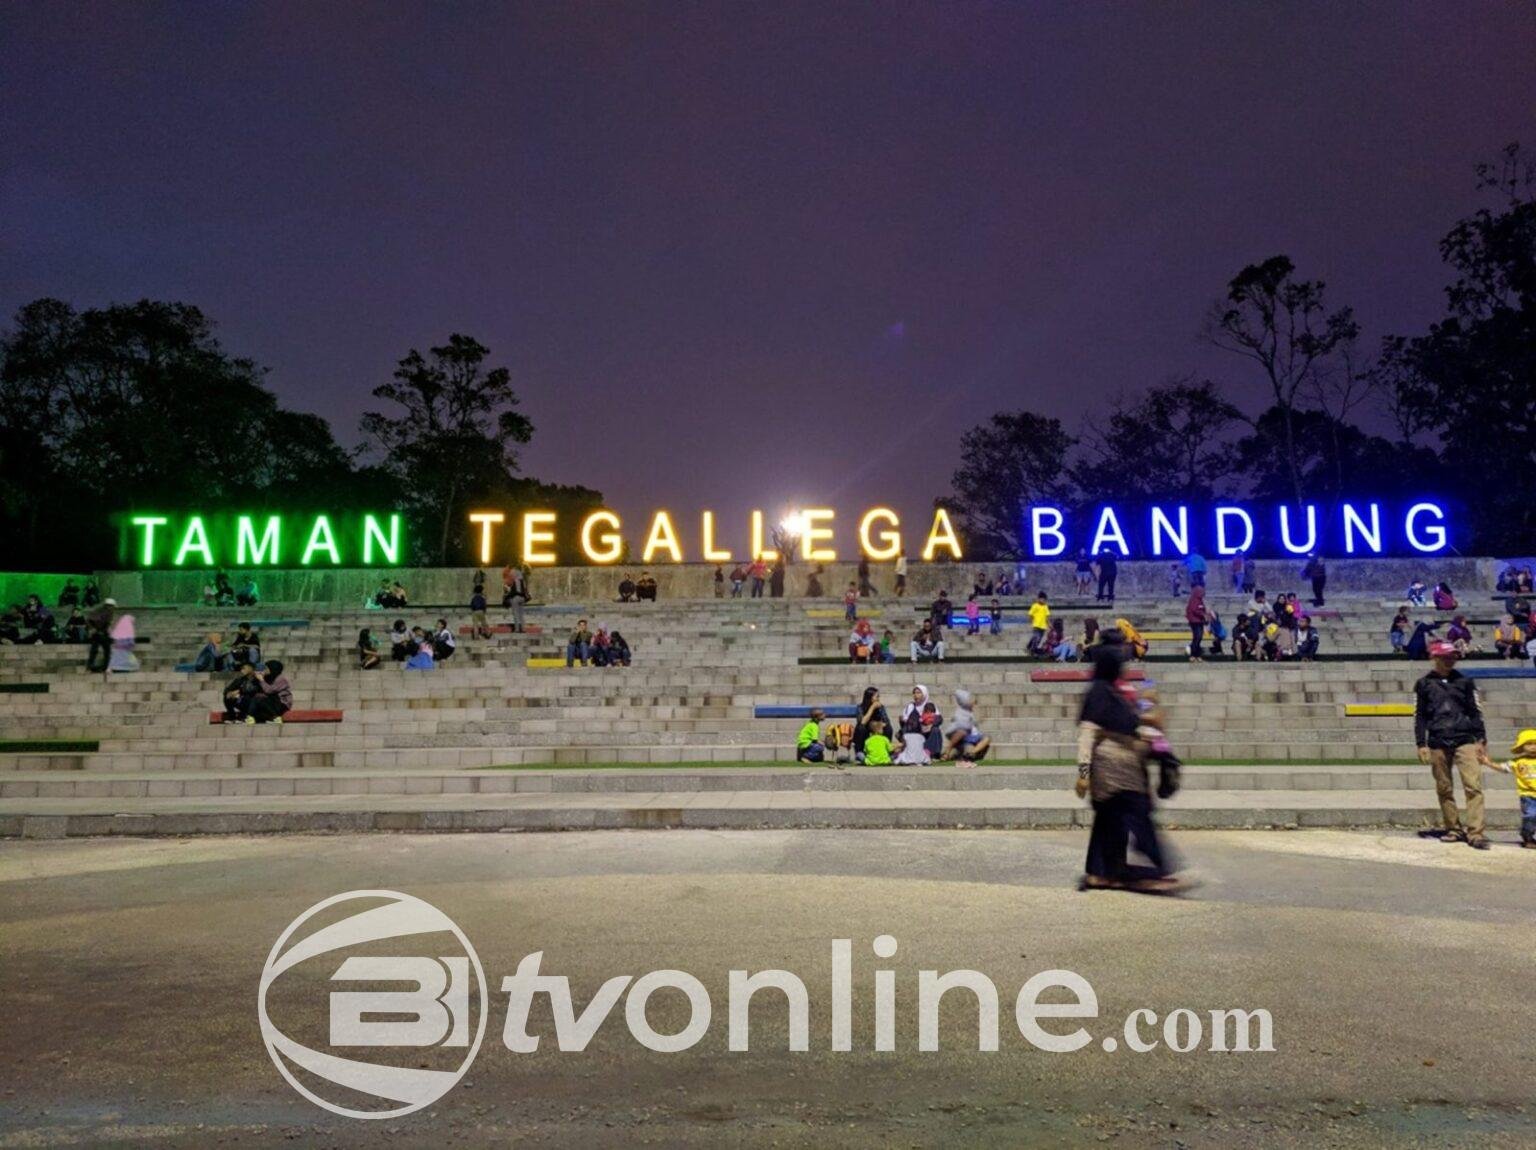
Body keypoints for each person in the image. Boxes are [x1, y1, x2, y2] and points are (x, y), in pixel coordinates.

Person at [1074, 644, 1181, 893]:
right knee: (1138, 815)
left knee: (1108, 822)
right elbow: (1088, 734)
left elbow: (1128, 724)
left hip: (1115, 772)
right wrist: (1083, 774)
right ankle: (1159, 868)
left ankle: (1101, 873)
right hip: (1116, 774)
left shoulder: (1107, 692)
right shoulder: (1101, 694)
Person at [1414, 640, 1490, 849]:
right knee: (1444, 787)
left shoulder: (1465, 682)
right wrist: (1421, 743)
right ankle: (1453, 828)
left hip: (1464, 738)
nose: (1450, 661)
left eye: (1453, 657)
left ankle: (1476, 832)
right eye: (1446, 657)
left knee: (1473, 785)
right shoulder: (1424, 684)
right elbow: (1420, 715)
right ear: (1435, 658)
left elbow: (1475, 711)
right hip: (1438, 740)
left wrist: (1481, 739)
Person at [1480, 729, 1536, 848]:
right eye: (1529, 744)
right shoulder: (1518, 762)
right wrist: (1488, 763)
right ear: (1522, 747)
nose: (1533, 747)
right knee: (1531, 816)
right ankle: (1528, 837)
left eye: (1535, 744)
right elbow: (1503, 768)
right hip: (1528, 795)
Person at [941, 688, 991, 764]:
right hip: (961, 736)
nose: (972, 701)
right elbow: (959, 725)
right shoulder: (959, 712)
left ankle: (971, 753)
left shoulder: (973, 711)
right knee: (962, 732)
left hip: (973, 735)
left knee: (987, 738)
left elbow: (978, 722)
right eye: (969, 699)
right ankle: (947, 752)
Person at [900, 685, 944, 760]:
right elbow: (905, 719)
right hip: (916, 731)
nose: (916, 695)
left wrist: (931, 725)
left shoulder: (930, 705)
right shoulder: (911, 706)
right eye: (914, 693)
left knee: (936, 730)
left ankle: (933, 754)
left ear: (924, 693)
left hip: (928, 731)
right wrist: (920, 725)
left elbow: (939, 718)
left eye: (918, 693)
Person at [245, 659, 292, 723]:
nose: (265, 670)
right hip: (272, 703)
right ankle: (251, 718)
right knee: (255, 698)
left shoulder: (281, 679)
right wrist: (255, 678)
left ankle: (276, 717)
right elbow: (251, 689)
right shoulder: (268, 677)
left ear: (272, 669)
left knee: (259, 698)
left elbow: (269, 691)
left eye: (267, 668)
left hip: (281, 704)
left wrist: (261, 680)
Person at [852, 686, 891, 760]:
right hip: (865, 730)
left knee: (888, 728)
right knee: (860, 728)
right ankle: (860, 753)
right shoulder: (860, 707)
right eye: (877, 697)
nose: (878, 699)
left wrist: (877, 725)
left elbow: (886, 722)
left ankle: (886, 752)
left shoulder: (880, 707)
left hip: (877, 729)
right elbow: (862, 722)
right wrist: (872, 707)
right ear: (870, 697)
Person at [85, 598, 115, 672]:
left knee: (106, 650)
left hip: (103, 632)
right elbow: (90, 620)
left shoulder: (109, 612)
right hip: (98, 632)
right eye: (111, 606)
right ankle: (91, 665)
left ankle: (105, 665)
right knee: (95, 649)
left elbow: (107, 623)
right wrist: (93, 629)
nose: (111, 608)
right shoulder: (100, 611)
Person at [1185, 585, 1206, 662]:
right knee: (1197, 637)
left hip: (1200, 621)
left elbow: (1202, 609)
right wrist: (1203, 614)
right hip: (1194, 622)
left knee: (1199, 637)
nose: (1203, 593)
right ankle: (1193, 654)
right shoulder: (1193, 600)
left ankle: (1197, 654)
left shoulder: (1200, 600)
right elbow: (1194, 610)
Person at [1027, 592, 1051, 656]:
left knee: (1039, 638)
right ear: (1039, 599)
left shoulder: (1045, 607)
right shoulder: (1035, 606)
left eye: (1044, 600)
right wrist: (1032, 621)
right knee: (1036, 638)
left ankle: (1029, 646)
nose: (1043, 601)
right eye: (1042, 599)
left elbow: (1047, 616)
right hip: (1036, 625)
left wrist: (1049, 624)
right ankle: (1032, 650)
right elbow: (1030, 614)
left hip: (1043, 626)